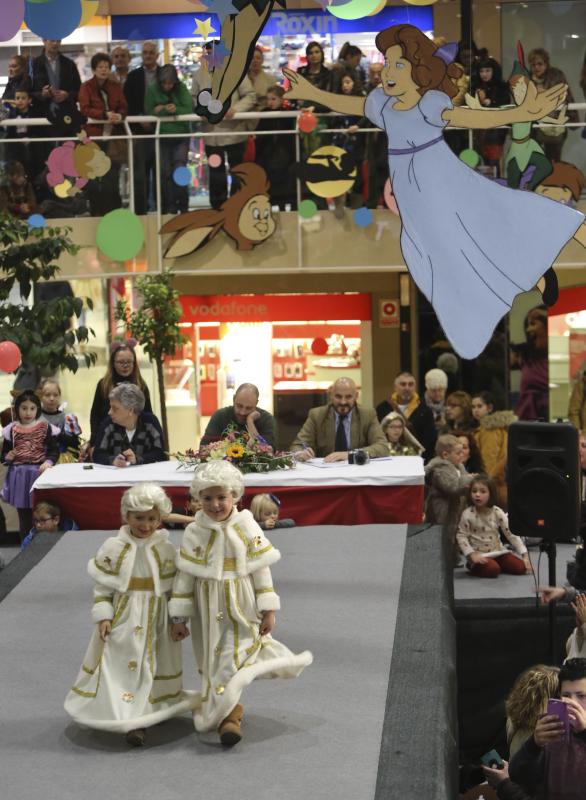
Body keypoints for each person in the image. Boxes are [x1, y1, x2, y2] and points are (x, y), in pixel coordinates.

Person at [283, 24, 586, 361]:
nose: (388, 70)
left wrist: (518, 113)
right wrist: (312, 93)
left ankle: (547, 263)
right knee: (446, 258)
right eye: (386, 62)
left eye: (398, 63)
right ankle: (528, 280)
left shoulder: (429, 105)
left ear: (419, 70)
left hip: (443, 183)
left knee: (493, 221)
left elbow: (466, 117)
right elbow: (350, 105)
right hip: (416, 199)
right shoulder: (383, 104)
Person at [169, 461, 312, 745]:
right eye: (207, 498)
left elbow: (261, 569)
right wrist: (179, 617)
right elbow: (185, 576)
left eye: (222, 497)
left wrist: (268, 607)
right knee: (211, 660)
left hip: (241, 602)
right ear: (198, 500)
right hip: (206, 606)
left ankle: (229, 716)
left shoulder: (246, 524)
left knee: (234, 658)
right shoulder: (194, 531)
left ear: (234, 495)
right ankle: (227, 711)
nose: (215, 504)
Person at [64, 483, 197, 746]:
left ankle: (151, 709)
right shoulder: (114, 547)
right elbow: (103, 587)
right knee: (122, 663)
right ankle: (130, 720)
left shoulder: (166, 549)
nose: (146, 525)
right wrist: (104, 615)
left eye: (152, 519)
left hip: (158, 616)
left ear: (160, 519)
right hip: (125, 615)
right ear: (127, 516)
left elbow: (175, 591)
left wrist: (178, 620)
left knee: (155, 662)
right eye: (139, 518)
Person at [507, 658, 586, 799]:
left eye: (582, 696)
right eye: (566, 695)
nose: (573, 703)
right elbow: (518, 778)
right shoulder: (553, 731)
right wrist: (534, 744)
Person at [192, 60, 256, 210]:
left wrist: (235, 109)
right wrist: (201, 109)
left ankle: (237, 205)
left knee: (237, 170)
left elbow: (250, 96)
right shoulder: (199, 74)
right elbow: (194, 97)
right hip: (211, 135)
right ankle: (217, 208)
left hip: (235, 134)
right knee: (215, 173)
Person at [1, 389, 58, 540]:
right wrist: (9, 456)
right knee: (24, 517)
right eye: (24, 408)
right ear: (17, 409)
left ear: (37, 409)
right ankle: (25, 547)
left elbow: (54, 450)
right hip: (19, 476)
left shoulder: (45, 428)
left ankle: (42, 546)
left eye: (32, 408)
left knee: (41, 513)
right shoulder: (11, 430)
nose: (28, 412)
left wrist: (48, 461)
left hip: (38, 474)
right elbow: (4, 457)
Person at [291, 376, 388, 462]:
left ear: (356, 396)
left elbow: (382, 447)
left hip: (357, 470)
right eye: (338, 396)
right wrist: (300, 453)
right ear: (331, 395)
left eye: (348, 397)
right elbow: (297, 445)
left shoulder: (367, 414)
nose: (343, 401)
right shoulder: (317, 415)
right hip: (325, 471)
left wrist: (349, 454)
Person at [78, 52, 127, 216]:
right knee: (94, 177)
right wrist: (104, 114)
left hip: (113, 138)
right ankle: (95, 211)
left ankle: (114, 211)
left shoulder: (115, 86)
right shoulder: (86, 87)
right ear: (94, 69)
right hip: (93, 139)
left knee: (112, 176)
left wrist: (119, 116)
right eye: (100, 67)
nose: (104, 70)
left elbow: (123, 106)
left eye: (106, 67)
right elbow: (85, 109)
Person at [457, 474, 531, 578]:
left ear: (491, 494)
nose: (477, 495)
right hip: (479, 555)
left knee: (521, 568)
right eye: (474, 491)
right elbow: (461, 536)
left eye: (482, 491)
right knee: (493, 570)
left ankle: (496, 563)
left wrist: (525, 555)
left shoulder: (497, 511)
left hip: (498, 552)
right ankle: (472, 565)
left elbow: (510, 533)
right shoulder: (467, 514)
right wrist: (471, 555)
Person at [145, 64, 192, 215]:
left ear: (175, 82)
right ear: (159, 82)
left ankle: (183, 205)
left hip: (180, 135)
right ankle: (168, 206)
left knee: (180, 170)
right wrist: (168, 110)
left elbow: (189, 108)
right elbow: (149, 111)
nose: (167, 86)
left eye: (170, 83)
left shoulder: (182, 88)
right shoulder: (152, 89)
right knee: (164, 172)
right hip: (162, 135)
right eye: (164, 83)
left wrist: (168, 109)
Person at [88, 342, 152, 448]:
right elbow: (95, 415)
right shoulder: (103, 384)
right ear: (113, 363)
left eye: (129, 362)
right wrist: (93, 443)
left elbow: (148, 415)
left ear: (134, 363)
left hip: (135, 440)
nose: (125, 366)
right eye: (121, 362)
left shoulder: (141, 385)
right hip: (107, 440)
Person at [124, 41, 161, 214]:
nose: (147, 55)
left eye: (151, 53)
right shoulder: (133, 77)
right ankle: (141, 211)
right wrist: (139, 119)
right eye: (145, 52)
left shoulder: (166, 74)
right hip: (139, 132)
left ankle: (163, 209)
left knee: (162, 172)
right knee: (140, 174)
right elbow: (127, 103)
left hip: (162, 131)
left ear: (157, 55)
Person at [424, 433, 473, 564]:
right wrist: (469, 479)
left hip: (457, 506)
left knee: (456, 531)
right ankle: (439, 560)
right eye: (457, 453)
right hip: (442, 509)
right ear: (445, 455)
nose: (461, 455)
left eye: (462, 452)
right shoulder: (440, 469)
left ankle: (453, 556)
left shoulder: (459, 466)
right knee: (443, 532)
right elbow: (452, 487)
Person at [92, 383, 166, 467]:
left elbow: (161, 454)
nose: (109, 412)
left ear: (131, 410)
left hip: (146, 478)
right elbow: (97, 455)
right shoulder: (108, 424)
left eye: (115, 408)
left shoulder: (151, 422)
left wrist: (137, 459)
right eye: (110, 407)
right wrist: (113, 460)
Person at [528, 47, 577, 163]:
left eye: (540, 64)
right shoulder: (527, 79)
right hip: (534, 127)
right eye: (533, 65)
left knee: (554, 160)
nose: (536, 68)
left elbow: (566, 96)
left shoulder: (557, 76)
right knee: (536, 161)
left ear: (546, 63)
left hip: (555, 125)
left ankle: (554, 180)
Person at [377, 372, 436, 461]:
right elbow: (377, 436)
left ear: (415, 387)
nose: (407, 388)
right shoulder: (383, 408)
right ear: (395, 387)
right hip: (387, 458)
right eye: (403, 384)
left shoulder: (425, 411)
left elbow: (430, 441)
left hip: (418, 459)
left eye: (410, 384)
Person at [254, 84, 296, 210]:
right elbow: (260, 134)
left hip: (284, 154)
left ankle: (283, 206)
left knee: (283, 183)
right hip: (268, 155)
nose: (270, 102)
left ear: (282, 99)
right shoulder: (264, 114)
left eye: (273, 99)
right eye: (268, 99)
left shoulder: (288, 114)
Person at [472, 391, 516, 507]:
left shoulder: (489, 430)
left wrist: (485, 486)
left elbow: (489, 460)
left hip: (494, 485)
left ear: (490, 408)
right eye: (473, 407)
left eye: (479, 406)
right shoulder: (493, 428)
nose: (475, 410)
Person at [200, 383, 276, 449]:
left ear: (256, 403)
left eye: (248, 408)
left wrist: (250, 422)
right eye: (239, 406)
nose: (242, 412)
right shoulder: (220, 416)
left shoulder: (266, 419)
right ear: (234, 399)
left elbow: (267, 451)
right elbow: (203, 448)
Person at [510, 306, 549, 422]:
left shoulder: (561, 356)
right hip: (526, 418)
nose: (528, 330)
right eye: (527, 325)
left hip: (553, 418)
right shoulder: (522, 355)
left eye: (533, 324)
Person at [31, 39, 81, 122]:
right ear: (44, 41)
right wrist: (41, 94)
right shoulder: (33, 64)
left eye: (58, 40)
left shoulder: (69, 64)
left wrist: (67, 95)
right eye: (52, 40)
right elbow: (27, 91)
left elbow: (79, 91)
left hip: (66, 116)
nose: (55, 43)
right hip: (42, 116)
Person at [39, 378, 82, 462]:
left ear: (60, 396)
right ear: (40, 397)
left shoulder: (66, 418)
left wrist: (58, 434)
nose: (52, 398)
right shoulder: (35, 417)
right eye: (47, 395)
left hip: (60, 459)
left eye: (55, 395)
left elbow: (75, 443)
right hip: (39, 459)